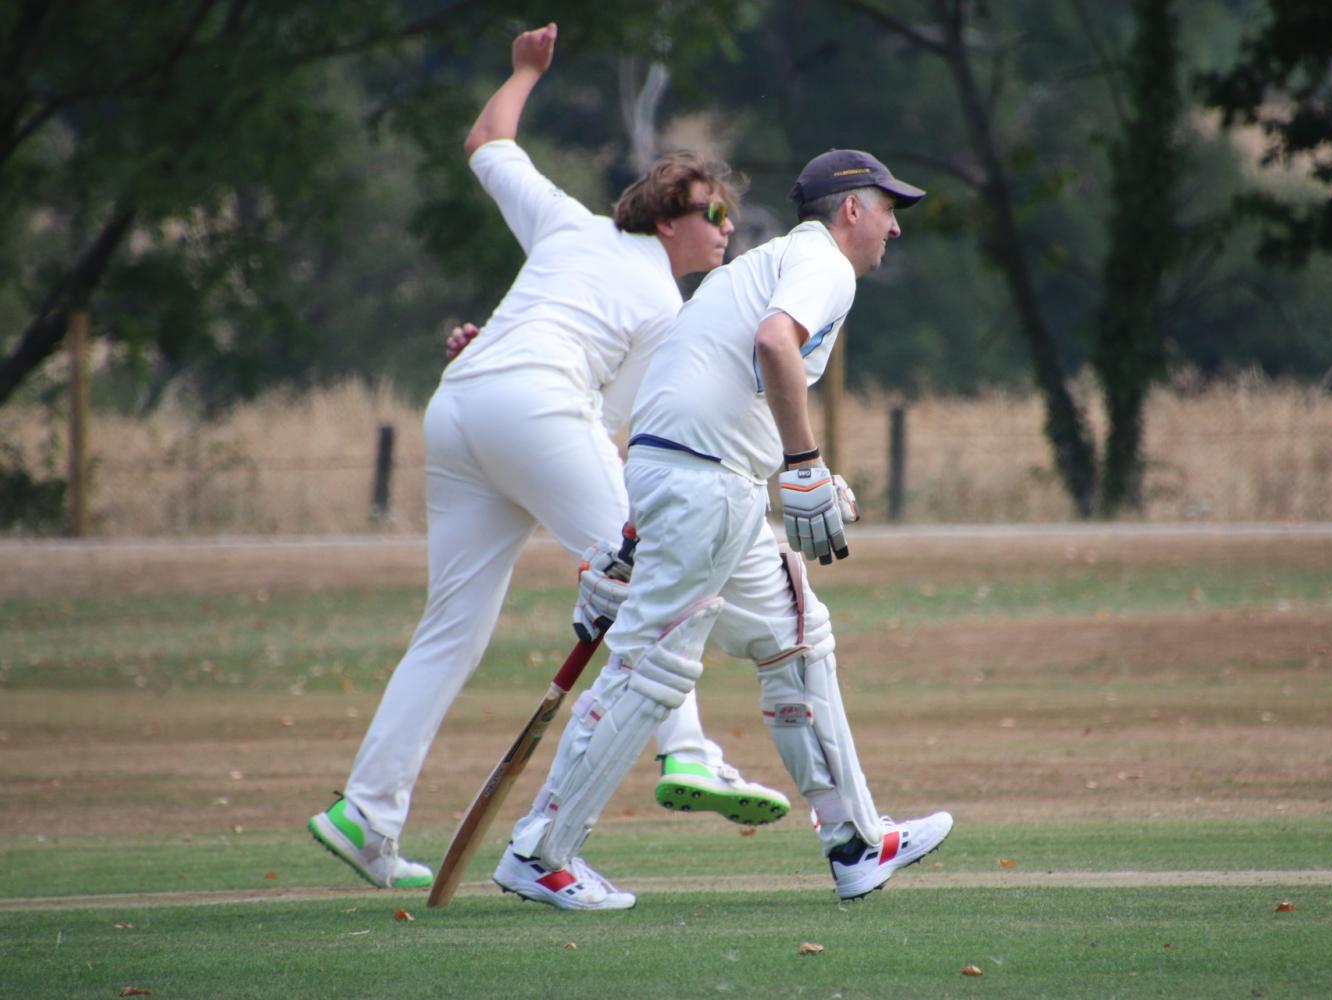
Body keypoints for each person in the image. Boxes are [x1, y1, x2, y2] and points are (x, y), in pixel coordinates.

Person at [308, 22, 788, 891]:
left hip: (461, 405)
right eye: (713, 213)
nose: (726, 229)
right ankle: (687, 752)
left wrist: (524, 72)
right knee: (661, 571)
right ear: (669, 219)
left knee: (452, 629)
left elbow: (488, 143)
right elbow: (612, 427)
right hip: (530, 408)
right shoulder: (666, 311)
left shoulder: (567, 225)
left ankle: (366, 814)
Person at [492, 149, 954, 910]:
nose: (894, 228)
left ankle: (855, 842)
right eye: (887, 209)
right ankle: (542, 853)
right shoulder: (822, 264)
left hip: (698, 479)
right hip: (704, 485)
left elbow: (694, 389)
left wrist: (635, 537)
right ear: (851, 209)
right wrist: (803, 466)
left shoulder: (754, 269)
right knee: (651, 668)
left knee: (795, 640)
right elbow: (775, 343)